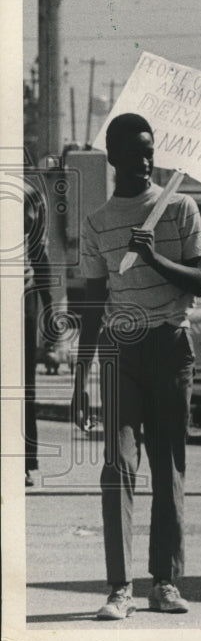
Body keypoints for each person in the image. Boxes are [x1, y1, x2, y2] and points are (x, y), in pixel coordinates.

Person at [72, 113, 201, 621]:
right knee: (118, 466)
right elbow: (92, 304)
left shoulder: (180, 208)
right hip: (121, 351)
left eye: (149, 152)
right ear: (113, 158)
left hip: (171, 346)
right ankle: (119, 587)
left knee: (168, 468)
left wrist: (153, 259)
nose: (145, 162)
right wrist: (81, 377)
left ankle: (165, 582)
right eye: (133, 154)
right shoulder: (97, 223)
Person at [23, 171, 54, 487]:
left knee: (23, 385)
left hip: (21, 299)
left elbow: (39, 254)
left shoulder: (30, 195)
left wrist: (50, 308)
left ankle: (23, 460)